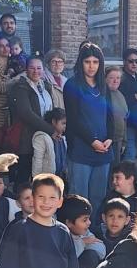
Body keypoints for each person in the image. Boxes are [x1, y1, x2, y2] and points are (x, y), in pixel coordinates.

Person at [63, 42, 113, 211]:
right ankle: (77, 235)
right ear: (80, 63)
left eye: (95, 62)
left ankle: (94, 232)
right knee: (79, 197)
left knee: (98, 197)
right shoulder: (72, 84)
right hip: (81, 150)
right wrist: (92, 141)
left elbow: (111, 115)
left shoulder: (103, 86)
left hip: (103, 150)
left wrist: (109, 139)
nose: (91, 66)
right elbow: (74, 120)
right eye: (87, 62)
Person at [8, 57, 59, 183]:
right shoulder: (20, 87)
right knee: (24, 178)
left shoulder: (45, 86)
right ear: (26, 69)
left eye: (39, 68)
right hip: (26, 140)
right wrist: (50, 130)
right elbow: (26, 113)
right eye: (32, 68)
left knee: (42, 177)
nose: (36, 71)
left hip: (44, 138)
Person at [57, 194, 106, 268]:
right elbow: (65, 260)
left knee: (91, 255)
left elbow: (101, 249)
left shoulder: (84, 232)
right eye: (84, 220)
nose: (89, 223)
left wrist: (83, 243)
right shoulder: (59, 235)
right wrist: (82, 242)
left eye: (88, 219)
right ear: (69, 223)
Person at [117, 48, 137, 160]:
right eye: (131, 61)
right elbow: (116, 98)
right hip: (126, 122)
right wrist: (135, 96)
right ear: (124, 61)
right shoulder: (119, 78)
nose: (134, 64)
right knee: (130, 152)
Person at [32, 108, 67, 178]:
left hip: (60, 178)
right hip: (47, 180)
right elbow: (37, 161)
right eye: (63, 123)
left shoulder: (63, 139)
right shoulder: (42, 138)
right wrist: (36, 179)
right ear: (54, 121)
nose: (65, 126)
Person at [105, 66, 129, 166]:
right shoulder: (102, 95)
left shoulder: (120, 95)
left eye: (118, 78)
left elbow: (124, 119)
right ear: (105, 78)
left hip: (118, 141)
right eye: (112, 78)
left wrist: (124, 141)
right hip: (106, 142)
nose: (115, 81)